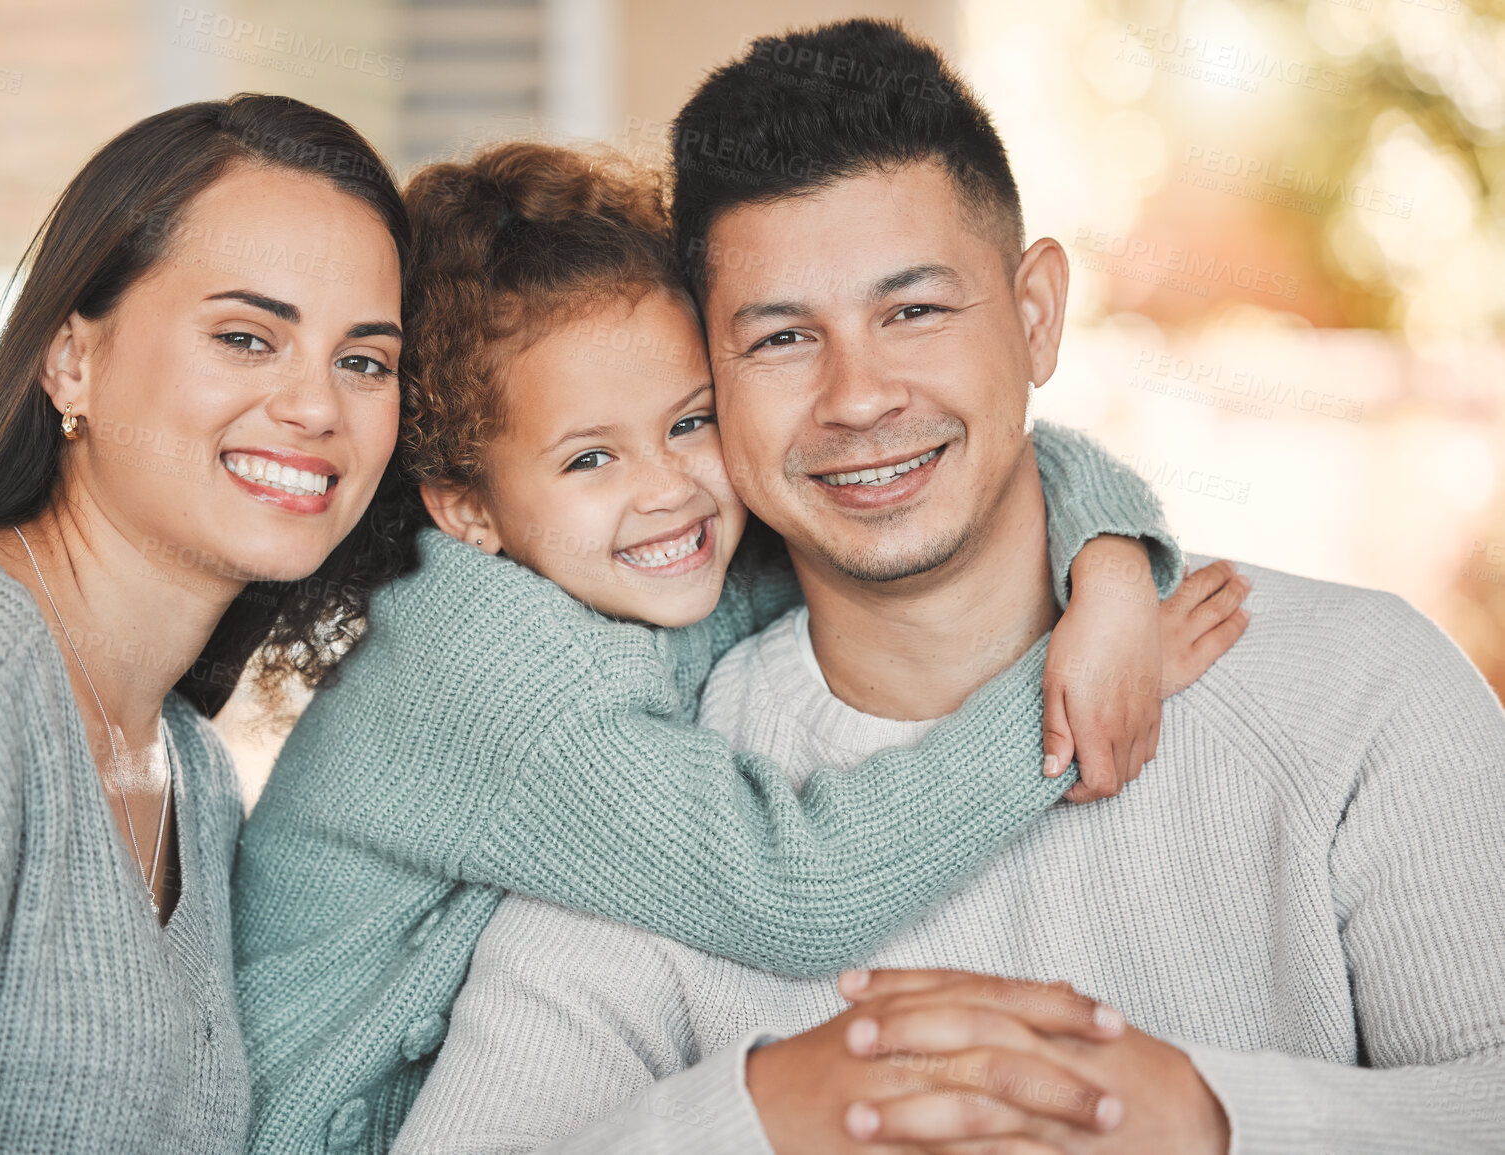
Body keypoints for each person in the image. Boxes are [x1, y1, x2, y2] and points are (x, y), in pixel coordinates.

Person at [391, 20, 1505, 1155]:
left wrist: (1215, 1125)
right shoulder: (654, 809)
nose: (859, 397)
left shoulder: (1365, 694)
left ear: (1034, 317)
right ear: (710, 382)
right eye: (781, 339)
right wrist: (762, 1117)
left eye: (913, 311)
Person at [232, 141, 1250, 1154]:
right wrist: (1072, 697)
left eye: (691, 423)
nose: (669, 488)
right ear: (467, 508)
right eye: (591, 457)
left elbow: (937, 490)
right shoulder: (491, 673)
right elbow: (799, 888)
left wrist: (1109, 569)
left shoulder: (624, 563)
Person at [0, 94, 411, 1153]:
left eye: (365, 361)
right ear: (71, 359)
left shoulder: (194, 778)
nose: (317, 407)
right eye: (248, 337)